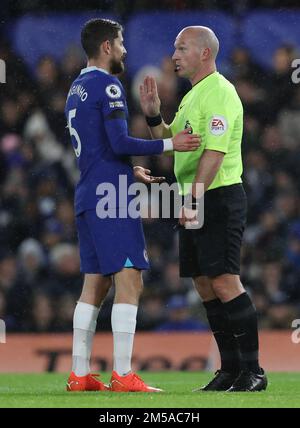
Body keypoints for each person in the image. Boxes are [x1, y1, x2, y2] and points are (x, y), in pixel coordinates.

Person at [64, 18, 199, 393]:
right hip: (112, 199)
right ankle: (123, 374)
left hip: (89, 192)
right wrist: (171, 144)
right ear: (106, 46)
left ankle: (79, 375)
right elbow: (121, 141)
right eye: (121, 43)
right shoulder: (108, 84)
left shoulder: (76, 87)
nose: (125, 50)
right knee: (130, 279)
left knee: (94, 283)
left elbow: (101, 146)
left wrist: (128, 171)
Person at [139, 26, 267, 392]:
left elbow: (215, 152)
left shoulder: (221, 92)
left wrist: (193, 196)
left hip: (218, 195)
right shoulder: (192, 96)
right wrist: (152, 116)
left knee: (225, 280)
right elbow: (171, 144)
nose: (174, 55)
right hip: (194, 195)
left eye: (181, 48)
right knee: (205, 285)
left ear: (204, 53)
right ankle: (229, 370)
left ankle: (253, 371)